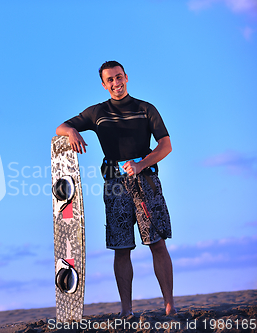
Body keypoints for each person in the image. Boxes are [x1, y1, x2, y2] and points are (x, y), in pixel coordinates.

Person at [56, 61, 176, 317]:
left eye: (119, 77)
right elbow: (60, 127)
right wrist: (72, 133)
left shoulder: (145, 108)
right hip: (114, 186)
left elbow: (165, 146)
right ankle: (126, 310)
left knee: (157, 243)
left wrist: (142, 164)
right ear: (104, 84)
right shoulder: (97, 112)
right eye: (110, 80)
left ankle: (169, 305)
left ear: (126, 78)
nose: (115, 83)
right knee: (121, 249)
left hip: (146, 183)